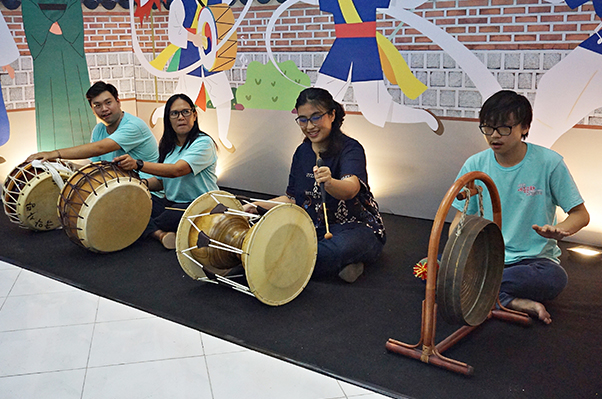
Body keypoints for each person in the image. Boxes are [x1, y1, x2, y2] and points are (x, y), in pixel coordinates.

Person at [450, 90, 590, 324]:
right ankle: (511, 300)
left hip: (532, 261)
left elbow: (580, 214)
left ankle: (479, 290)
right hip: (486, 256)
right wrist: (456, 251)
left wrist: (560, 229)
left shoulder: (549, 162)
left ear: (524, 127)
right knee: (432, 267)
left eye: (505, 128)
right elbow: (460, 219)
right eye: (488, 128)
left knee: (555, 278)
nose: (495, 136)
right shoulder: (475, 164)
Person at [243, 87, 386, 283]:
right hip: (313, 227)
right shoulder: (302, 152)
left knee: (328, 249)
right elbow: (292, 199)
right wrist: (256, 206)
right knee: (269, 238)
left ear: (332, 115)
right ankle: (338, 266)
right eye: (303, 119)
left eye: (316, 117)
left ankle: (267, 266)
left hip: (357, 229)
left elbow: (351, 188)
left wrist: (330, 182)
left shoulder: (351, 148)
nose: (309, 126)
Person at [115, 93, 218, 249]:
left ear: (194, 115)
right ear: (168, 119)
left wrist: (138, 164)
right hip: (171, 203)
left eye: (186, 112)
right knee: (133, 204)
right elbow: (162, 182)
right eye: (174, 113)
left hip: (200, 205)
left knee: (165, 216)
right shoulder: (168, 147)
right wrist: (139, 184)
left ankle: (151, 228)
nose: (181, 117)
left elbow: (176, 171)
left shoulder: (204, 142)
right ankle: (160, 234)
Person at [26, 81, 158, 165]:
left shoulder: (133, 125)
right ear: (92, 109)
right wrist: (64, 166)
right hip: (119, 186)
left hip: (148, 191)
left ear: (118, 102)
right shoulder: (99, 129)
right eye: (97, 105)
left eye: (108, 102)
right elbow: (95, 166)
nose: (104, 109)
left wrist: (54, 153)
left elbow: (99, 148)